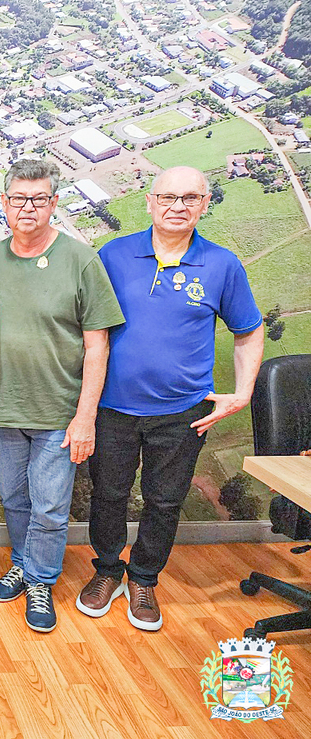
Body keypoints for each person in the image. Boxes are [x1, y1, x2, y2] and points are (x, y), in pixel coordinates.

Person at [77, 166, 264, 631]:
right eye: (167, 197)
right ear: (149, 201)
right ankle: (106, 571)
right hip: (112, 408)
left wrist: (243, 393)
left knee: (164, 501)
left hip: (183, 414)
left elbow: (249, 331)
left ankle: (143, 578)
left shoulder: (222, 265)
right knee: (109, 495)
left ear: (204, 204)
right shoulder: (113, 255)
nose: (177, 206)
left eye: (189, 198)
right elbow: (88, 330)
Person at [0, 158, 124, 634]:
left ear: (53, 203)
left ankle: (40, 580)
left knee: (49, 507)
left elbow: (98, 345)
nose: (28, 208)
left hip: (58, 415)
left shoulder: (81, 260)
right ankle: (21, 563)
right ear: (4, 204)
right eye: (18, 198)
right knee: (15, 499)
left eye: (38, 199)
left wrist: (85, 418)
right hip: (2, 410)